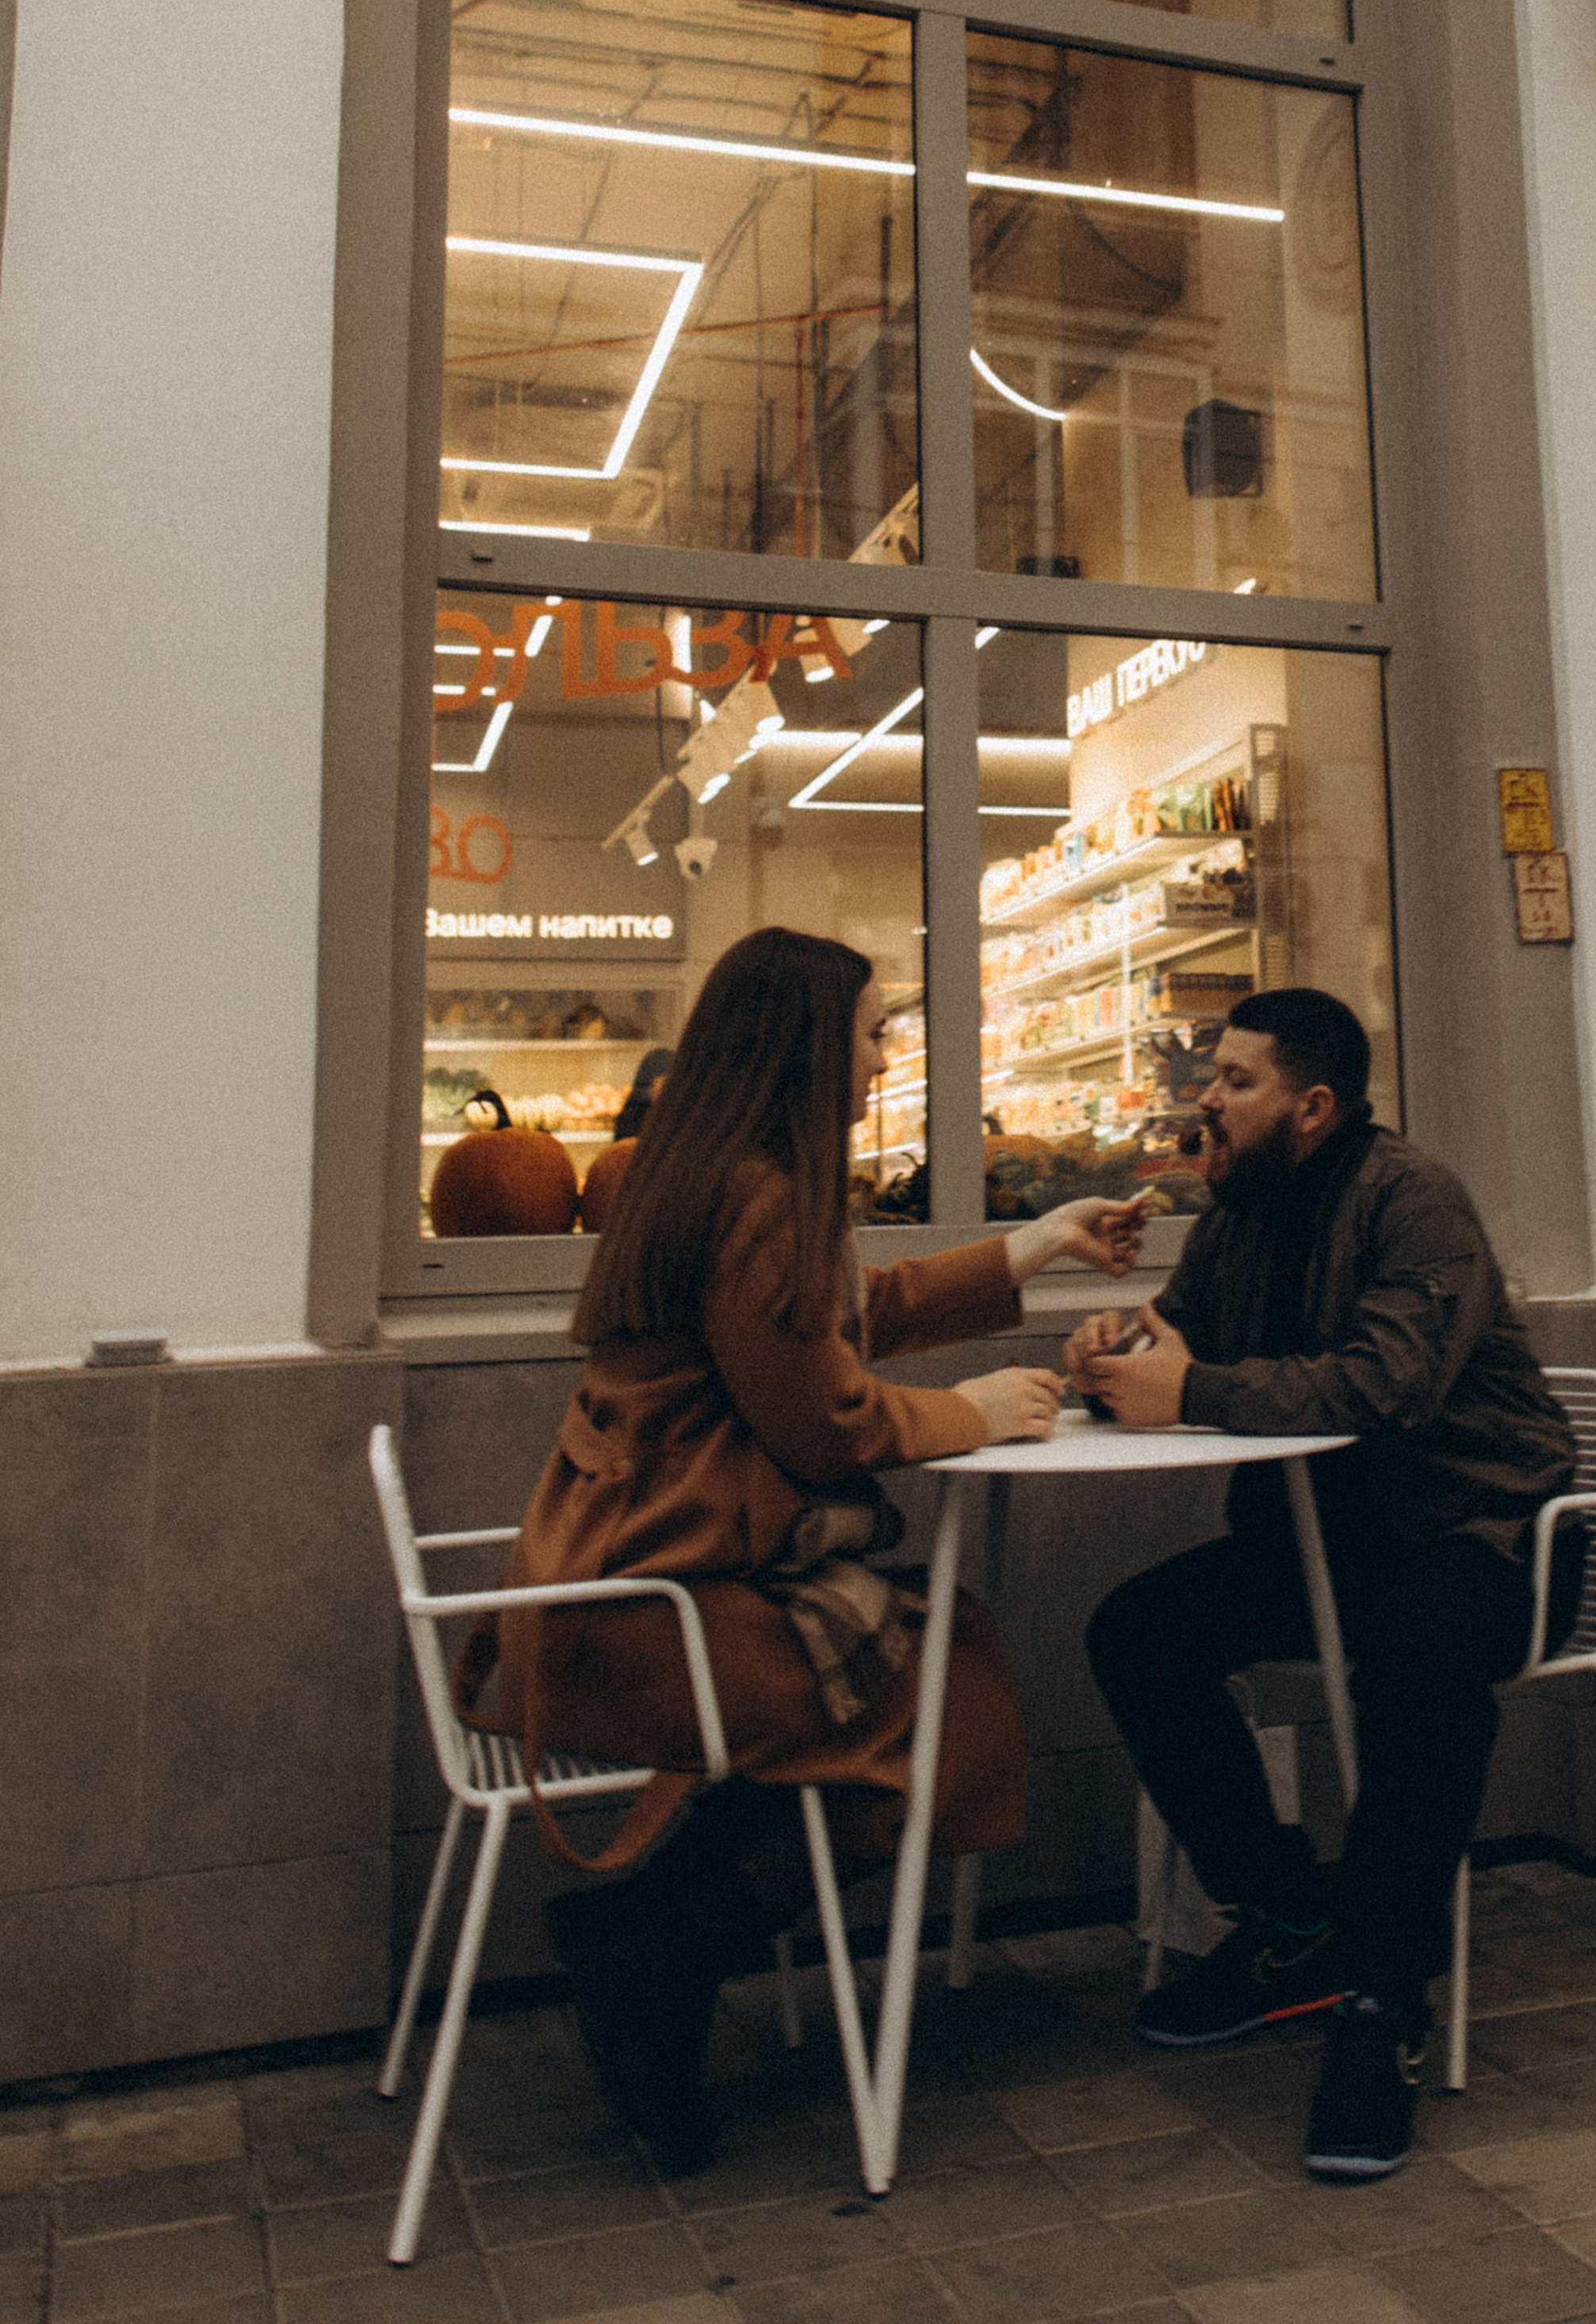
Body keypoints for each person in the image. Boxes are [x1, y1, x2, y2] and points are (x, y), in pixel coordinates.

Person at [458, 925, 1146, 2172]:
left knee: (929, 1681)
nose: (889, 1057)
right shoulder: (764, 1197)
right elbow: (823, 1418)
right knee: (939, 1706)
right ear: (808, 1048)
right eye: (877, 1031)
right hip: (655, 1616)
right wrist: (974, 1412)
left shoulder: (712, 1173)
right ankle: (653, 1951)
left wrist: (1034, 1244)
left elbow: (843, 1323)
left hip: (614, 1586)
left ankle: (650, 1952)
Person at [1070, 988, 1576, 2183]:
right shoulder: (1235, 1216)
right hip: (1325, 1545)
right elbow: (1173, 1342)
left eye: (1236, 1082)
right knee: (1137, 1633)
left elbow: (1377, 1389)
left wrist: (1188, 1392)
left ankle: (1383, 2004)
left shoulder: (1414, 1201)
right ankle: (1293, 1923)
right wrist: (1106, 1352)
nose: (1208, 1098)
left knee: (1417, 1656)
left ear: (1313, 1106)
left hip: (1482, 1533)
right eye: (1212, 1077)